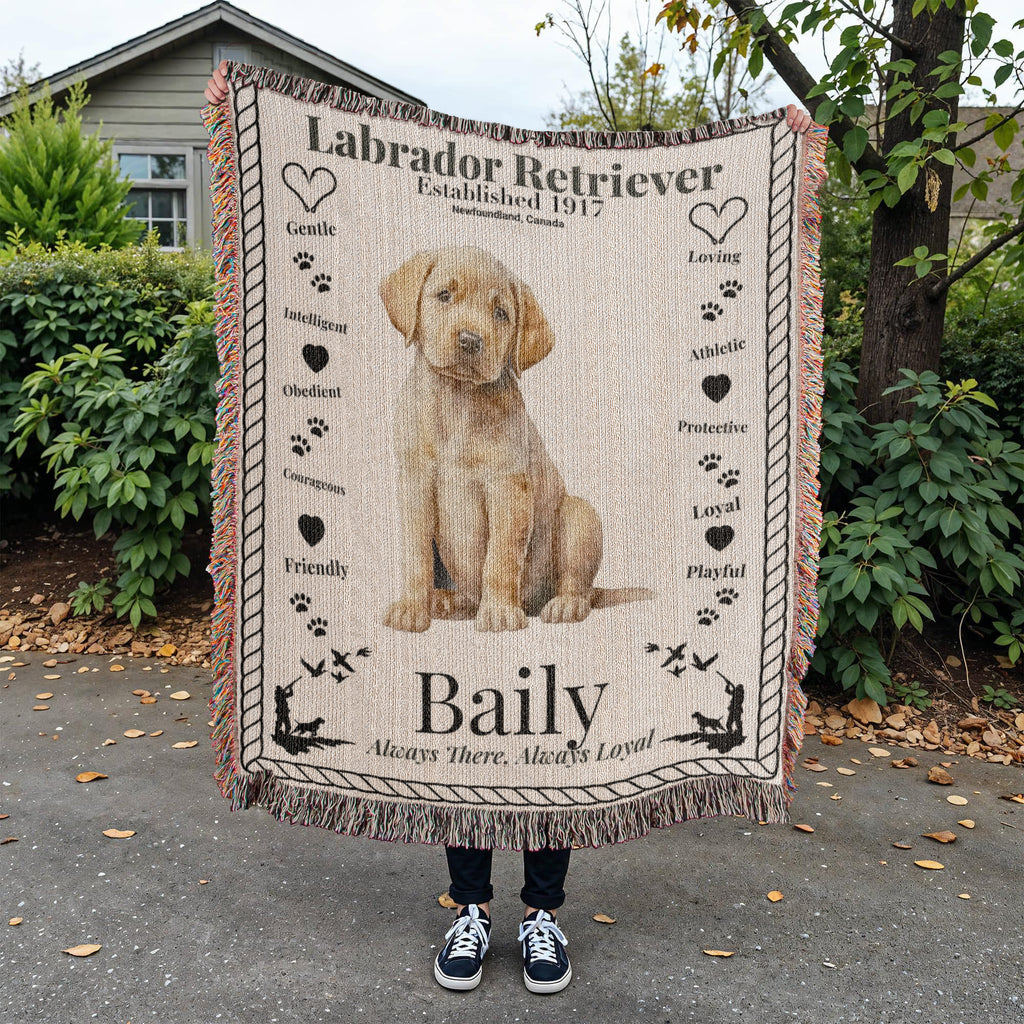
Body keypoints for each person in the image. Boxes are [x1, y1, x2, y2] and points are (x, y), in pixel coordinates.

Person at [202, 60, 812, 994]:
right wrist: (422, 588)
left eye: (496, 313)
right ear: (412, 305)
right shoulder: (413, 402)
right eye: (447, 300)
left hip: (528, 584)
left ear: (519, 335)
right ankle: (469, 908)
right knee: (458, 748)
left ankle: (542, 914)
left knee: (552, 745)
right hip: (457, 601)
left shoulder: (506, 405)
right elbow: (416, 496)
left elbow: (516, 502)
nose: (471, 326)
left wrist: (521, 592)